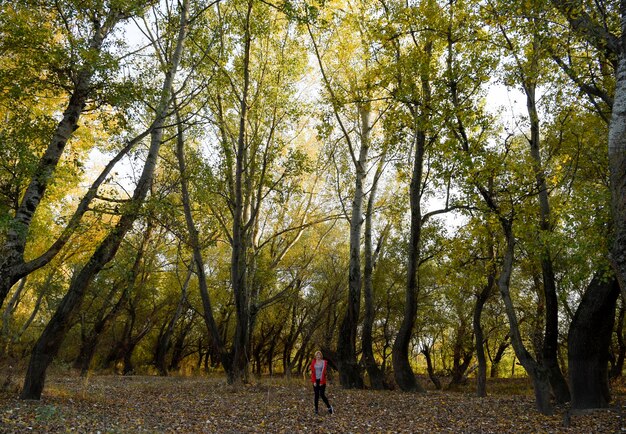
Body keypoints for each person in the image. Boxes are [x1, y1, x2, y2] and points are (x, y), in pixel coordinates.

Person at [310, 350, 333, 415]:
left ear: (321, 356)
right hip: (315, 381)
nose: (318, 356)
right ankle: (316, 410)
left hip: (322, 380)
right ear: (315, 356)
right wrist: (314, 381)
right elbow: (312, 373)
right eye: (317, 355)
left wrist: (321, 382)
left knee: (322, 394)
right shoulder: (313, 362)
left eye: (319, 355)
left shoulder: (323, 362)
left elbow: (324, 373)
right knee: (316, 395)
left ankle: (329, 407)